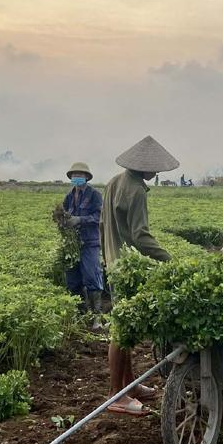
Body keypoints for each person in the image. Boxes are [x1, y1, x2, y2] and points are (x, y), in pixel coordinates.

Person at [101, 135, 178, 416]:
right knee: (121, 330)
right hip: (126, 267)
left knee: (127, 326)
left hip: (113, 261)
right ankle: (115, 396)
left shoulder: (113, 182)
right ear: (144, 166)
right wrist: (169, 259)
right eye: (155, 168)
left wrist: (107, 257)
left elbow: (103, 224)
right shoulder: (134, 190)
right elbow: (140, 235)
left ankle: (130, 385)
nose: (156, 173)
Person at [62, 162, 105, 326]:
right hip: (73, 244)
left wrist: (80, 219)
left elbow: (99, 216)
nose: (76, 178)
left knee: (91, 277)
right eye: (74, 175)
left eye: (79, 175)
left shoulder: (94, 195)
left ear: (86, 177)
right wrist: (63, 221)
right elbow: (65, 214)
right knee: (72, 279)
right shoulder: (69, 196)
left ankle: (97, 317)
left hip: (90, 242)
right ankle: (81, 313)